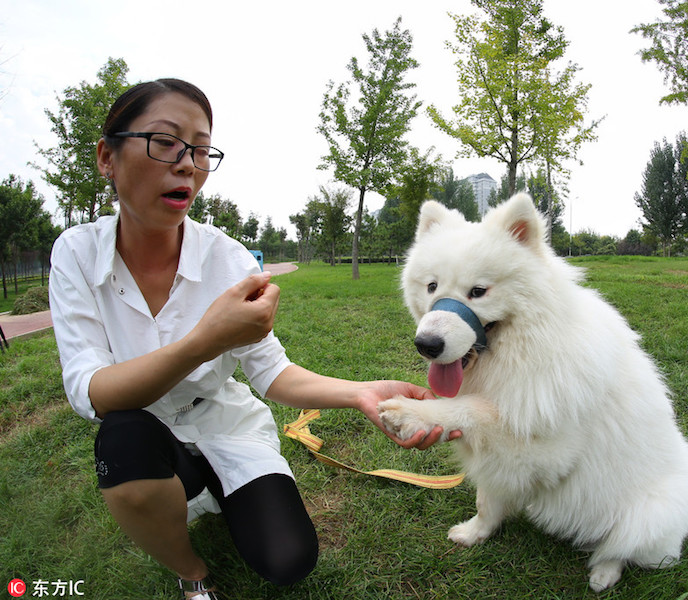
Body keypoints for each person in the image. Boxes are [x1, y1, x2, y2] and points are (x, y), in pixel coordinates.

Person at [48, 78, 455, 600]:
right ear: (108, 157)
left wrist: (361, 392)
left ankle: (213, 489)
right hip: (146, 439)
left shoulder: (229, 260)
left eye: (199, 149)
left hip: (225, 425)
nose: (187, 164)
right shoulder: (77, 254)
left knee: (289, 561)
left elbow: (271, 373)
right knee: (124, 437)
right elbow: (93, 394)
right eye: (165, 142)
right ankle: (191, 572)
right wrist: (203, 340)